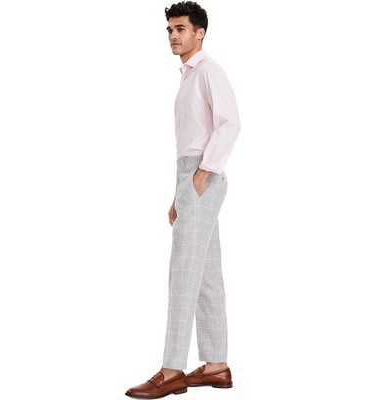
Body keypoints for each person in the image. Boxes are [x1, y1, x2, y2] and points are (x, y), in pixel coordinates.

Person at [125, 1, 240, 398]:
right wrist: (181, 191)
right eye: (170, 30)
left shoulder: (209, 71)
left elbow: (230, 123)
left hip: (202, 175)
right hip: (190, 177)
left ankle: (171, 369)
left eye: (180, 29)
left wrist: (203, 174)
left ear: (199, 32)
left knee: (183, 271)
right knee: (206, 274)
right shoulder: (189, 76)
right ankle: (216, 365)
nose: (173, 36)